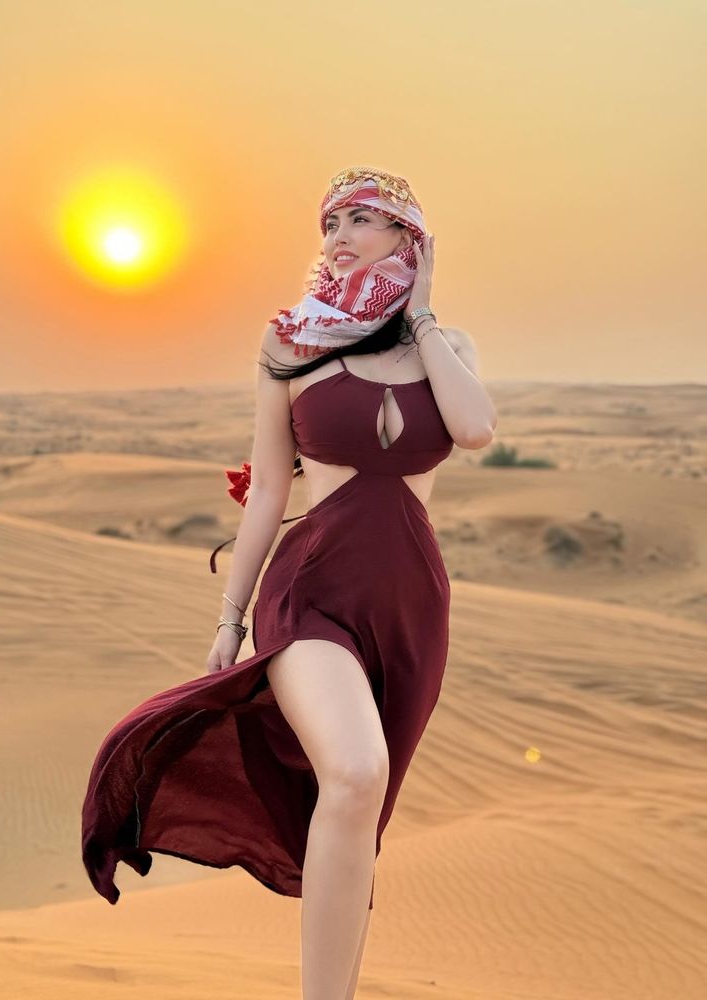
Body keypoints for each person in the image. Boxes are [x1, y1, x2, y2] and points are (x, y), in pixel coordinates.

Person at [81, 165, 497, 999]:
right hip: (310, 595)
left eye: (360, 219)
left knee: (358, 805)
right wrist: (231, 623)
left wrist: (419, 315)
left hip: (411, 605)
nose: (337, 235)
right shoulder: (291, 344)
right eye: (328, 223)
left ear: (408, 237)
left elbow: (476, 428)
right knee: (351, 772)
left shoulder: (449, 351)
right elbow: (271, 490)